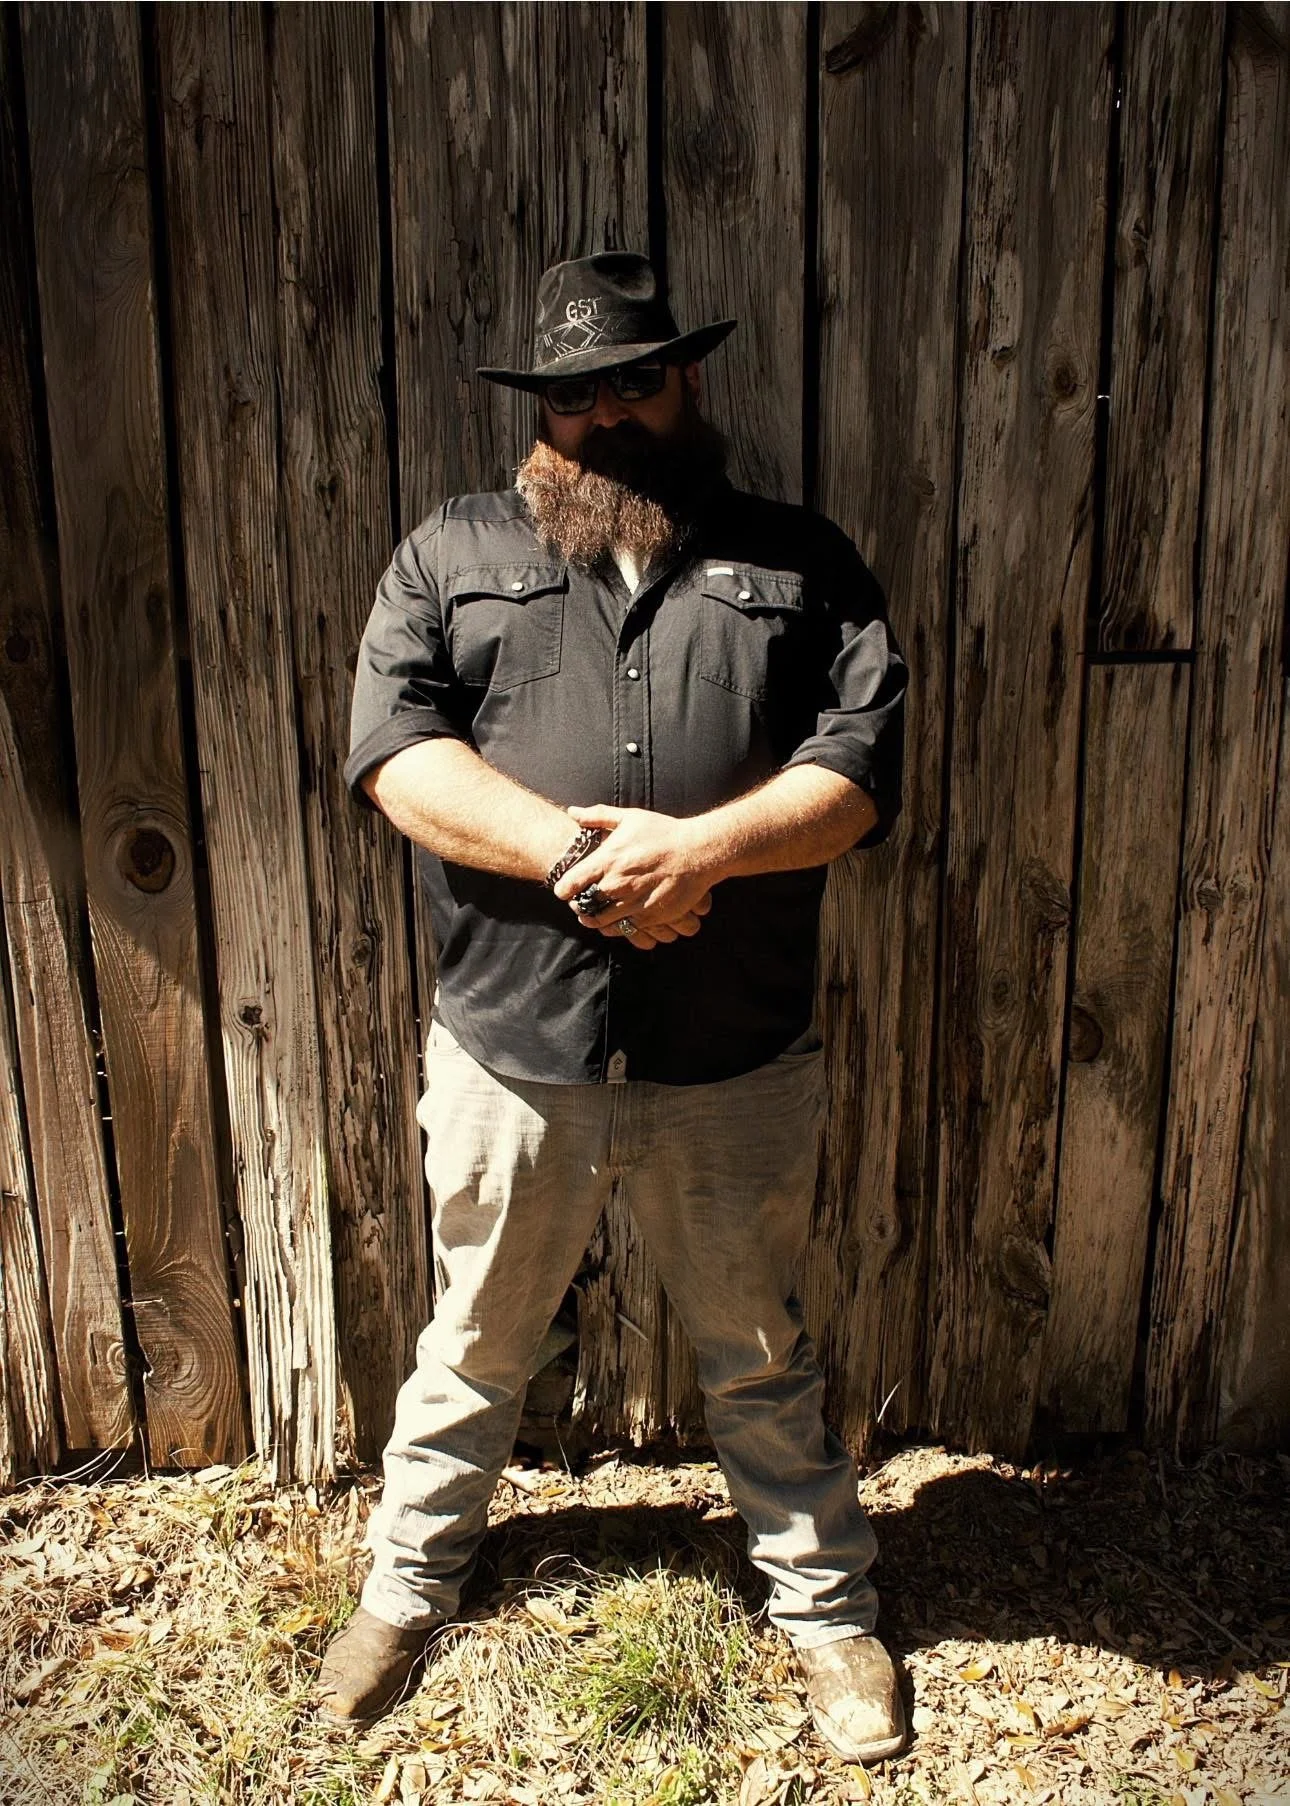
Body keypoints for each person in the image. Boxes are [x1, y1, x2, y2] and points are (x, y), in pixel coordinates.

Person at [316, 251, 909, 1765]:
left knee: (760, 1348)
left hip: (734, 1053)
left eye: (630, 382)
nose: (602, 417)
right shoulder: (448, 554)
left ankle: (826, 1609)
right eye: (570, 394)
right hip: (517, 1051)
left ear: (685, 383)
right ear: (539, 414)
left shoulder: (801, 560)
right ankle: (407, 1582)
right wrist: (582, 856)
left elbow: (859, 768)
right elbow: (392, 753)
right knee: (472, 1342)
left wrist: (704, 850)